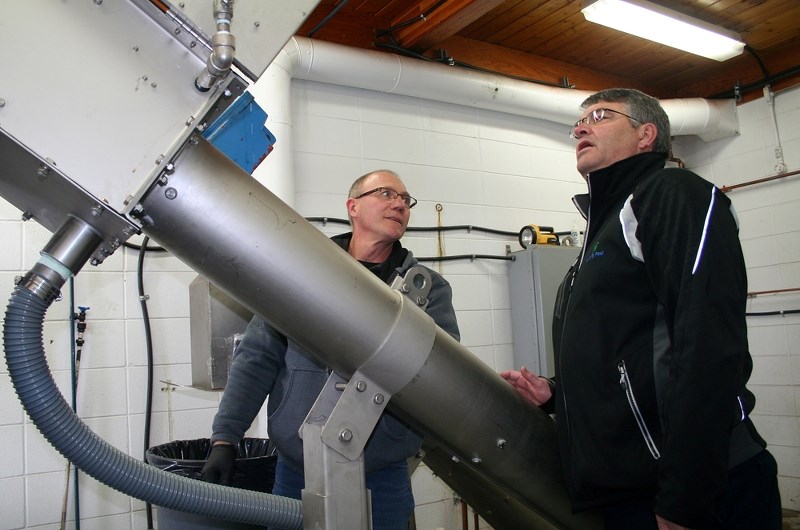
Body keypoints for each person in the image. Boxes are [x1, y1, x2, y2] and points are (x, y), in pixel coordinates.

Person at [501, 88, 781, 530]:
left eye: (600, 115)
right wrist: (555, 393)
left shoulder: (672, 193)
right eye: (579, 120)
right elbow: (627, 353)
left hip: (692, 490)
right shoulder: (603, 232)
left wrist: (684, 496)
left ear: (646, 134)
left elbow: (706, 344)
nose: (580, 127)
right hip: (631, 492)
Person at [201, 169, 460, 530]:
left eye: (405, 199)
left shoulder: (428, 290)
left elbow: (440, 378)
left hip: (382, 478)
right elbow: (258, 358)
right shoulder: (303, 274)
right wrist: (225, 438)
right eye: (386, 194)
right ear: (353, 206)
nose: (399, 204)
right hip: (297, 471)